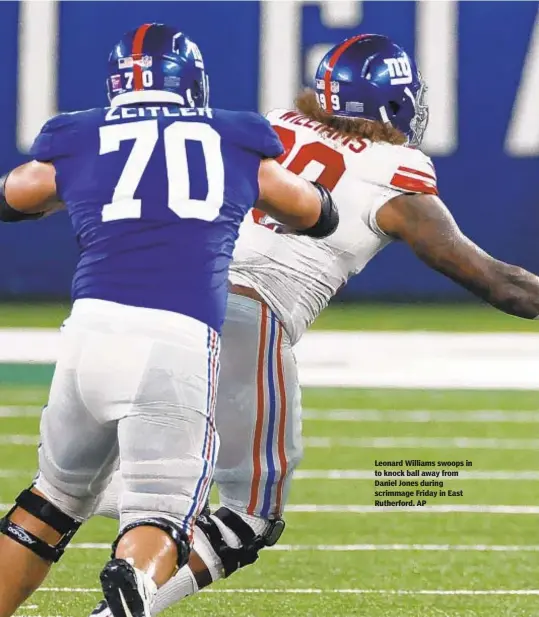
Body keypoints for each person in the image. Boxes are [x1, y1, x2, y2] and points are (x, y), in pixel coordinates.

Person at [95, 32, 539, 616]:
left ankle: (90, 509)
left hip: (146, 298)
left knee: (138, 472)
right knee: (250, 516)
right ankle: (129, 608)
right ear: (392, 103)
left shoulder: (276, 124)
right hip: (240, 313)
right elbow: (498, 283)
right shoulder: (394, 169)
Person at [0, 23, 338, 617]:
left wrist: (81, 189)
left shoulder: (77, 134)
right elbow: (317, 212)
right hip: (173, 343)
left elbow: (13, 197)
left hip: (86, 338)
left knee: (50, 500)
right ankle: (132, 578)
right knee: (160, 513)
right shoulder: (233, 136)